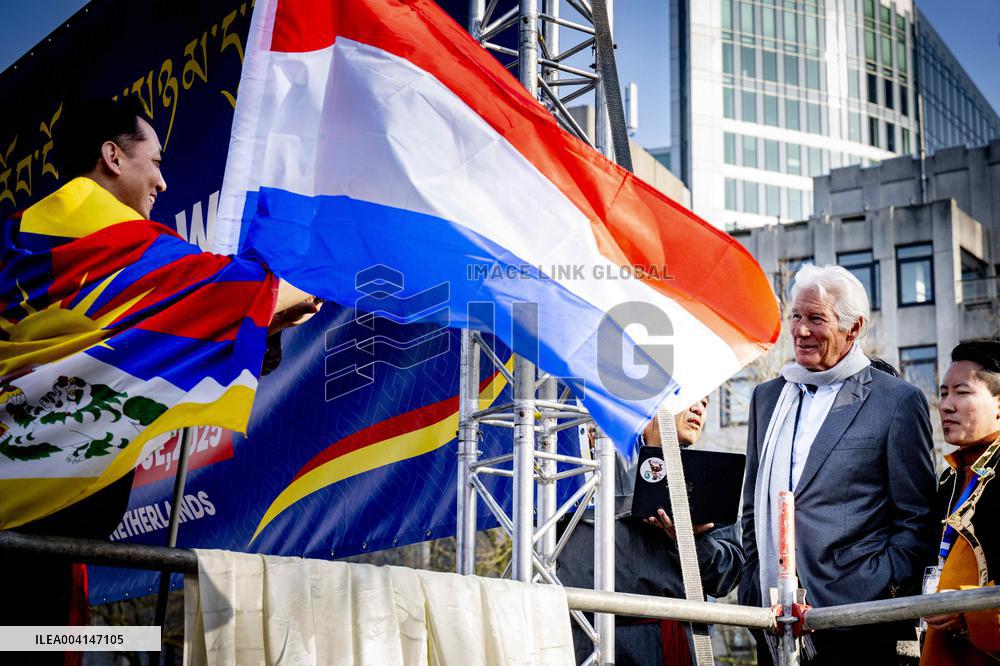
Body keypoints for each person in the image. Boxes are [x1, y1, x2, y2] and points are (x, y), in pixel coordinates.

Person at [0, 98, 318, 662]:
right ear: (113, 156)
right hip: (35, 533)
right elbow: (233, 295)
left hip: (31, 525)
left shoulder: (12, 244)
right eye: (155, 159)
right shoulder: (121, 247)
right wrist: (312, 284)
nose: (164, 182)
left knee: (56, 641)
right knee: (38, 643)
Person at [738, 264, 938, 665]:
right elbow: (750, 508)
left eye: (816, 318)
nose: (801, 330)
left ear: (854, 328)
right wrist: (752, 583)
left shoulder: (896, 401)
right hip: (772, 618)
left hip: (859, 624)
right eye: (796, 316)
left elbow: (917, 520)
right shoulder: (766, 398)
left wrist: (873, 590)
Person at [557, 397, 746, 665]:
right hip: (583, 633)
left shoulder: (707, 479)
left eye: (705, 403)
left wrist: (692, 539)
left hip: (662, 640)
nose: (699, 408)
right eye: (692, 397)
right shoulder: (586, 461)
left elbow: (727, 577)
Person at [920, 341, 1000, 665]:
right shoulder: (948, 480)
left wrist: (970, 610)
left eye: (962, 393)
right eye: (943, 393)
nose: (946, 405)